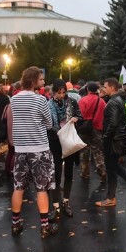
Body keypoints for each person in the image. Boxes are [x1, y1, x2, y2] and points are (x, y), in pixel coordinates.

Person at [9, 67, 55, 239]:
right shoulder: (41, 100)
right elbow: (49, 123)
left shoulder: (14, 99)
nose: (43, 82)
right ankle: (44, 226)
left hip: (21, 149)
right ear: (34, 80)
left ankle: (15, 223)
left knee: (18, 187)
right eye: (41, 79)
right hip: (39, 149)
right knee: (41, 188)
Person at [95, 78, 126, 207]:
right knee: (114, 167)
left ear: (112, 87)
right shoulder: (118, 100)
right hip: (116, 139)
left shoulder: (113, 102)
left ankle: (111, 198)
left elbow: (113, 123)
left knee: (111, 168)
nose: (103, 89)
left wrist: (105, 137)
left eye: (105, 87)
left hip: (113, 140)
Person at [47, 79, 82, 218]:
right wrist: (59, 131)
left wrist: (75, 119)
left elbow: (80, 115)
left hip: (69, 141)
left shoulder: (72, 102)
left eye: (64, 92)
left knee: (68, 173)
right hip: (55, 142)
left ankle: (66, 202)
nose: (62, 95)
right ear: (54, 92)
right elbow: (47, 125)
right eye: (59, 93)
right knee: (55, 174)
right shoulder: (48, 104)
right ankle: (55, 205)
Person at [78, 81, 107, 182]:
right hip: (98, 129)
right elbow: (105, 115)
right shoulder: (102, 101)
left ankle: (85, 173)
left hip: (85, 129)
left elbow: (80, 115)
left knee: (84, 151)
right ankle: (102, 170)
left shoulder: (83, 100)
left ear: (87, 89)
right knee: (98, 151)